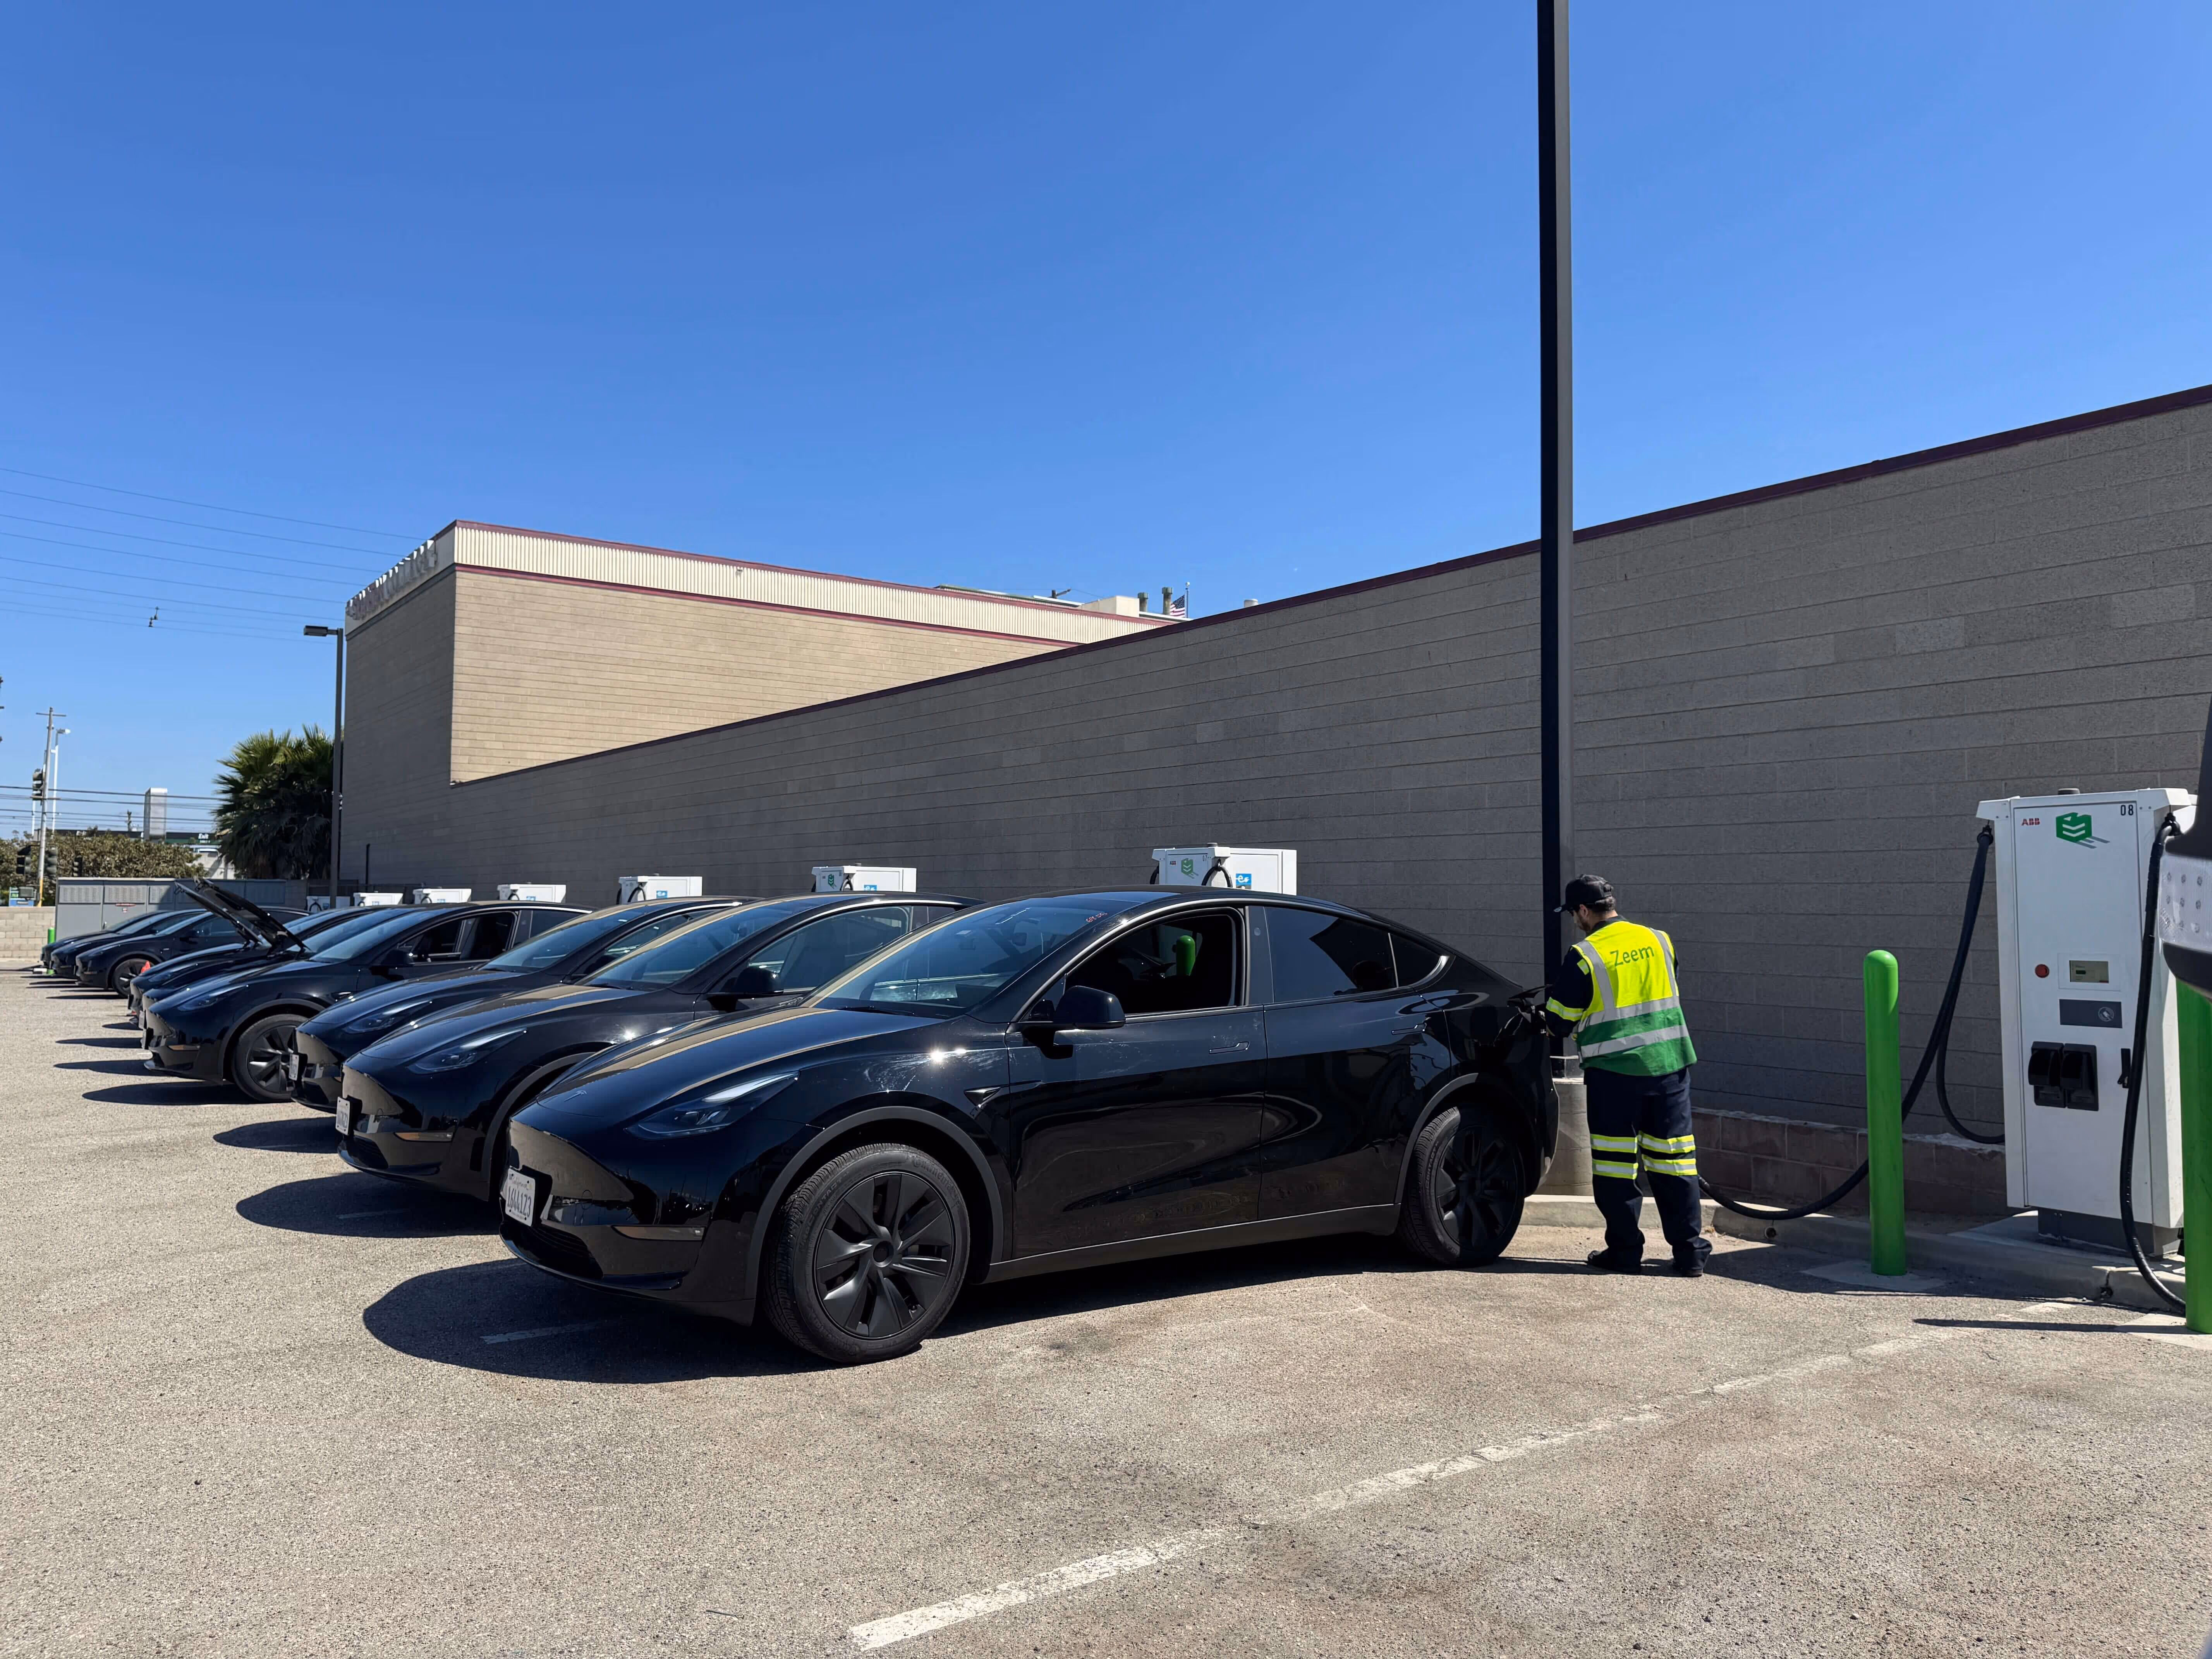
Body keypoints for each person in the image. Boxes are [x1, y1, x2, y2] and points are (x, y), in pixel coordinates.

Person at [1543, 874, 1712, 1278]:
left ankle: (1625, 1253)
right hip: (1670, 1067)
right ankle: (1690, 1254)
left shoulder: (1585, 956)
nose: (1575, 922)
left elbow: (1559, 1022)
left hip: (1615, 1077)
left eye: (1574, 915)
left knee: (1616, 1168)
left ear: (1584, 911)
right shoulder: (1659, 940)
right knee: (1675, 1165)